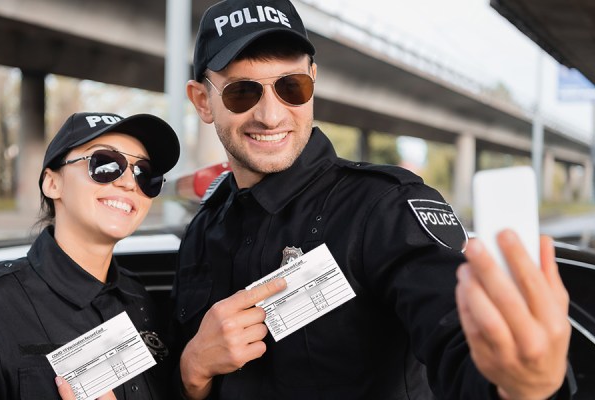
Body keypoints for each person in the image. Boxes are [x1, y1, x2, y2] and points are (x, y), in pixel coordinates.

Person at [170, 0, 573, 399]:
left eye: (292, 87)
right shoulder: (202, 230)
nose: (271, 116)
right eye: (242, 93)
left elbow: (457, 339)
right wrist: (191, 370)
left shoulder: (386, 208)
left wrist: (521, 385)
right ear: (203, 101)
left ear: (313, 81)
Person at [0, 111, 180, 400]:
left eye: (144, 173)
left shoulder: (140, 299)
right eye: (105, 164)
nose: (130, 183)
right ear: (52, 183)